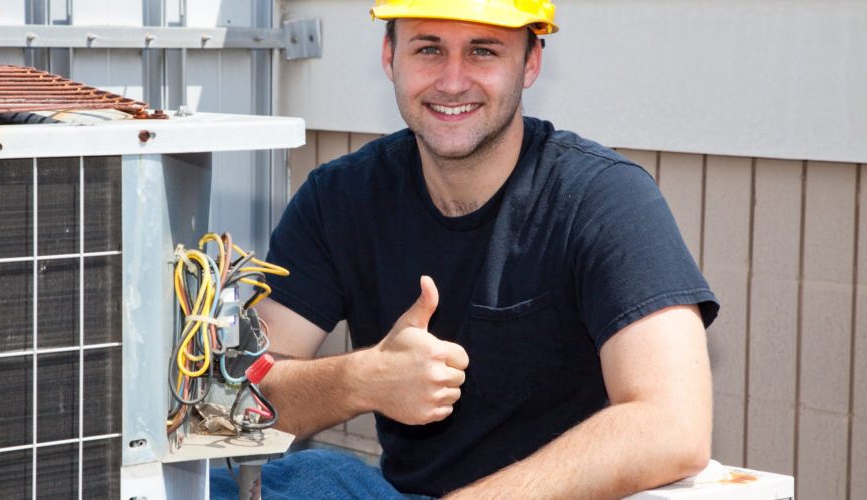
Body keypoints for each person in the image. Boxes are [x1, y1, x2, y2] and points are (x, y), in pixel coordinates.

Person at [211, 0, 719, 497]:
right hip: (390, 490)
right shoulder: (340, 197)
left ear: (531, 62)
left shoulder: (604, 198)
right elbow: (246, 395)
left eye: (484, 51)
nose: (453, 81)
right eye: (428, 49)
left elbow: (673, 423)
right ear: (389, 58)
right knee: (214, 486)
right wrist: (360, 379)